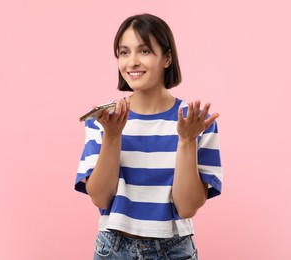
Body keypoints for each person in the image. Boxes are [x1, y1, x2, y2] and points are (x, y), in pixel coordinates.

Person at [75, 13, 223, 260]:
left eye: (143, 51)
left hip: (174, 250)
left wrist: (186, 141)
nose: (131, 62)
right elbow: (100, 197)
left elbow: (187, 207)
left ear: (166, 58)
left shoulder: (194, 121)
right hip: (113, 249)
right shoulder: (103, 119)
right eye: (124, 52)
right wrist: (112, 136)